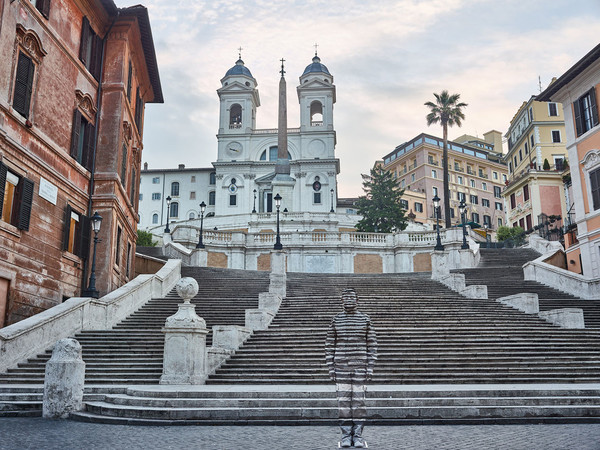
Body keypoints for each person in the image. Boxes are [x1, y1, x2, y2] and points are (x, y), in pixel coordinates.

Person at [325, 288, 377, 448]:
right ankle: (346, 435)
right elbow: (329, 344)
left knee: (359, 403)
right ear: (341, 300)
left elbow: (372, 344)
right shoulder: (336, 319)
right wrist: (330, 367)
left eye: (351, 297)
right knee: (343, 404)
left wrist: (370, 367)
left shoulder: (365, 319)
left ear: (357, 300)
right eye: (345, 297)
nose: (348, 300)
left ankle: (358, 436)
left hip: (360, 367)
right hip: (341, 367)